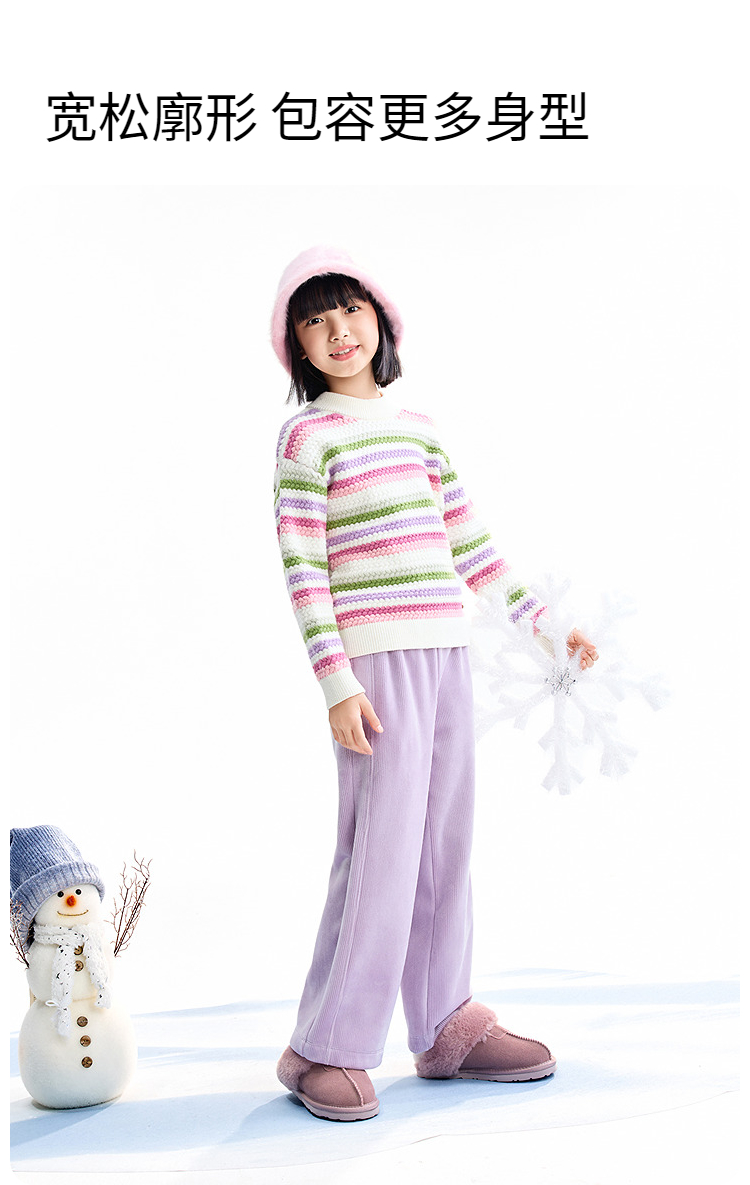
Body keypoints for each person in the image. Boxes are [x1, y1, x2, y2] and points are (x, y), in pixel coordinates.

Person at [271, 245, 598, 1122]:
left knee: (443, 844)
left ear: (381, 322)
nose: (338, 330)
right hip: (374, 670)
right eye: (315, 319)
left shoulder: (418, 429)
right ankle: (326, 1046)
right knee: (378, 853)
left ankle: (445, 1024)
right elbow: (303, 568)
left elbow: (472, 549)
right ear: (298, 346)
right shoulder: (308, 438)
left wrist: (547, 628)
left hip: (446, 656)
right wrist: (336, 682)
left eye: (351, 310)